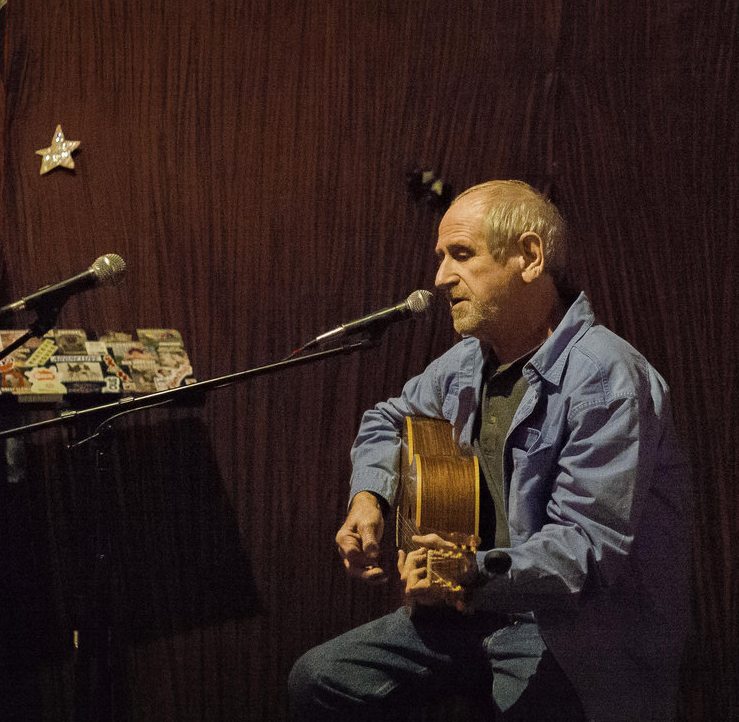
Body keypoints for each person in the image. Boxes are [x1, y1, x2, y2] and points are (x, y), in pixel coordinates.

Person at [288, 180, 691, 721]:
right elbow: (388, 419)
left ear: (529, 257)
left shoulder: (607, 379)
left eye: (461, 254)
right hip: (469, 609)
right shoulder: (469, 360)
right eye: (441, 258)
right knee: (319, 680)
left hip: (565, 631)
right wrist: (370, 499)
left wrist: (468, 571)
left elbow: (585, 549)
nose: (440, 278)